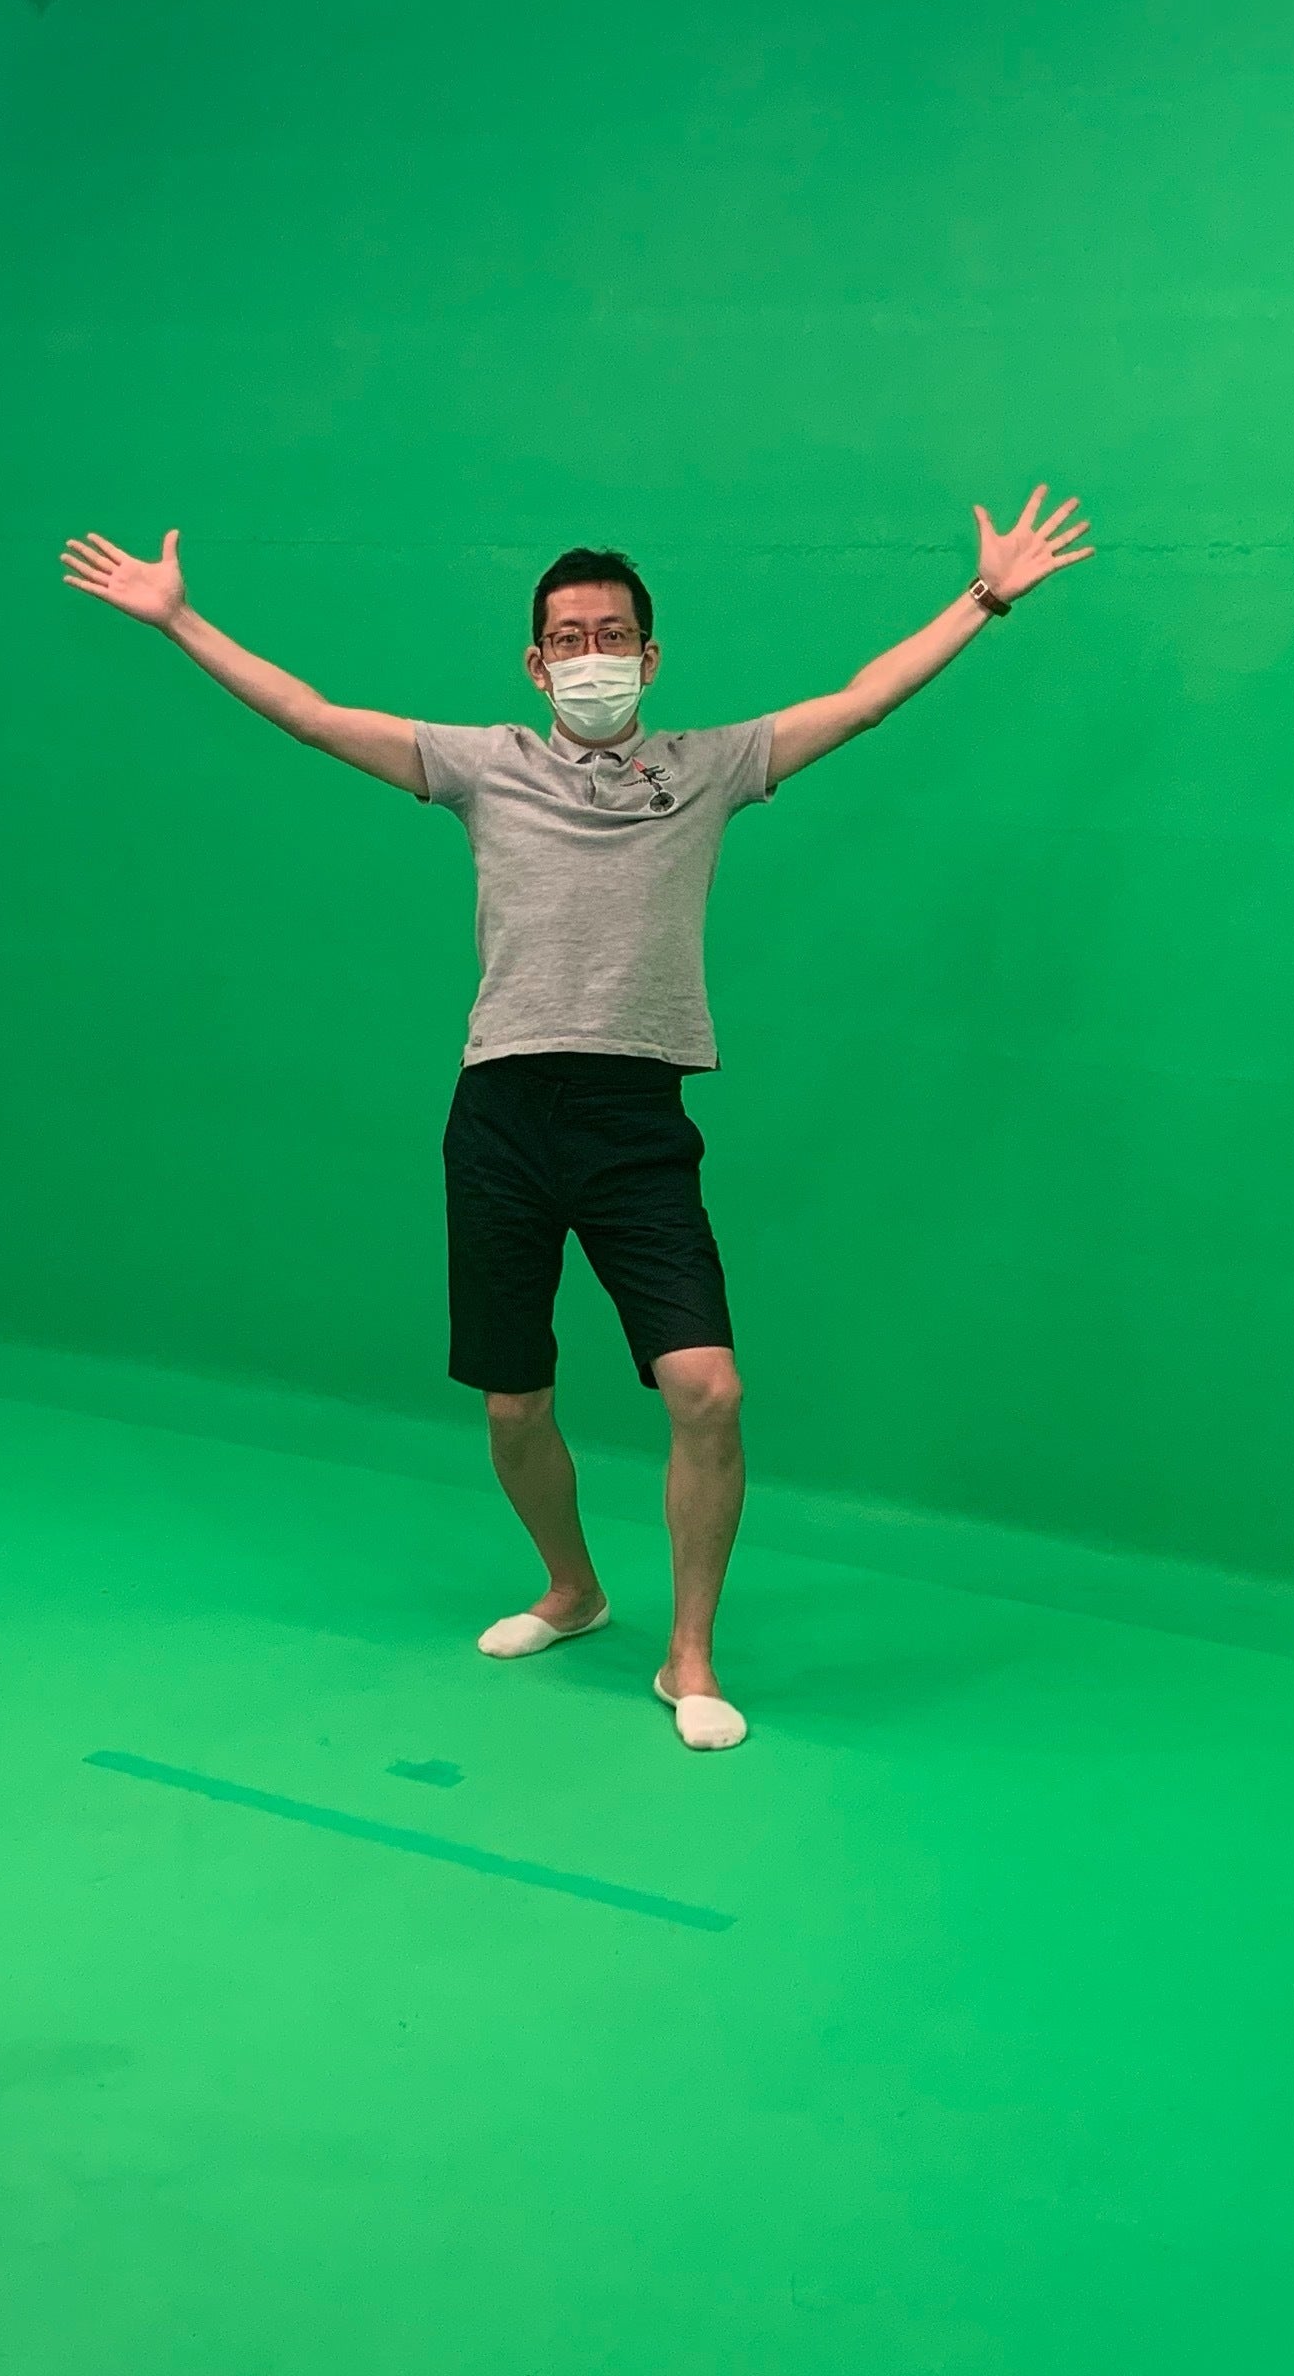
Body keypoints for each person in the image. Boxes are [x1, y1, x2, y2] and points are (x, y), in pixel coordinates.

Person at [58, 491, 1094, 1750]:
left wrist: (983, 600)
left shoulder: (709, 767)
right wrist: (179, 621)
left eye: (612, 636)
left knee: (708, 1391)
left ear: (649, 658)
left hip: (635, 1118)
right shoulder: (483, 765)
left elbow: (863, 698)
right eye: (568, 638)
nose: (590, 655)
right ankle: (573, 1588)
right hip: (501, 1111)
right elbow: (313, 715)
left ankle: (689, 1654)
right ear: (535, 662)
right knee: (513, 1404)